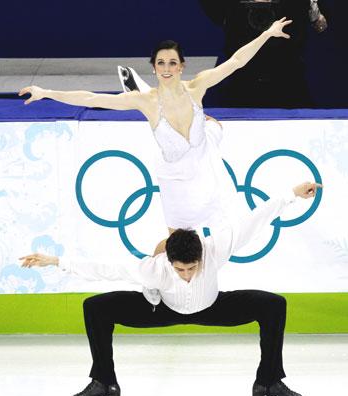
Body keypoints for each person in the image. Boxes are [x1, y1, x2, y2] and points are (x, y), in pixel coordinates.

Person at [20, 181, 321, 396]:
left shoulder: (215, 249)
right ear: (169, 262)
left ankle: (268, 381)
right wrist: (55, 261)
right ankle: (103, 382)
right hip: (161, 308)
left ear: (202, 256)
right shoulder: (155, 268)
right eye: (180, 269)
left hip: (212, 307)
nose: (187, 274)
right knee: (95, 307)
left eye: (192, 268)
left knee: (273, 305)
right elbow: (107, 269)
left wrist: (292, 194)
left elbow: (255, 220)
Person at [19, 18, 292, 239]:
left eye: (172, 62)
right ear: (154, 67)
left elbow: (236, 62)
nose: (167, 67)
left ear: (182, 66)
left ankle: (207, 121)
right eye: (160, 63)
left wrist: (267, 33)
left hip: (205, 160)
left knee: (214, 134)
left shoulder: (197, 86)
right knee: (177, 241)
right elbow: (91, 98)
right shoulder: (146, 102)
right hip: (175, 177)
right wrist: (46, 91)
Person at [199, 0, 328, 107]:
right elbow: (216, 15)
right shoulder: (227, 5)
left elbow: (320, 25)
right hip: (241, 84)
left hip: (289, 81)